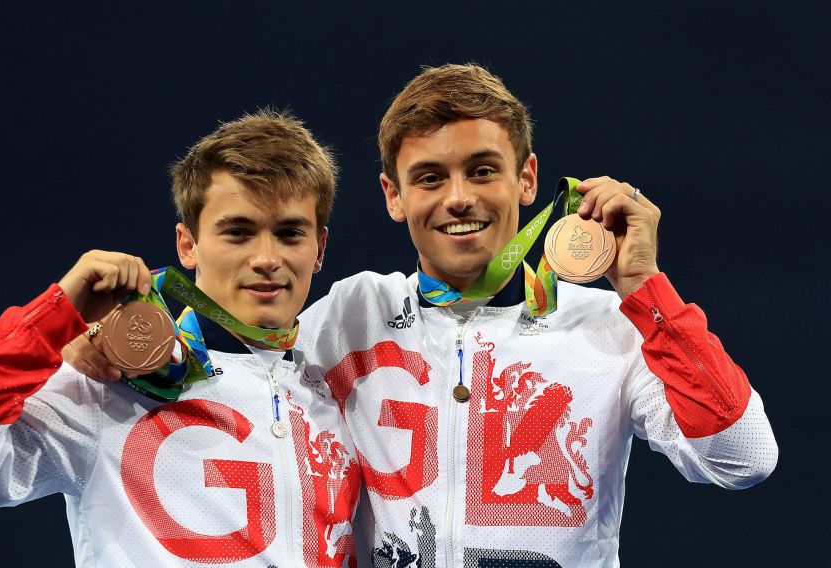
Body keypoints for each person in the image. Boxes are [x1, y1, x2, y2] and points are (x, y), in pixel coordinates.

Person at [295, 64, 778, 567]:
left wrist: (645, 290)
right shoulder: (352, 315)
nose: (459, 199)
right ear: (394, 196)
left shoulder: (610, 324)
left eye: (482, 171)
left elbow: (742, 459)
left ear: (527, 179)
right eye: (430, 178)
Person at [0, 110, 362, 567]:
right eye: (238, 233)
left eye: (289, 234)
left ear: (319, 248)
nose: (266, 258)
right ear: (187, 245)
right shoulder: (110, 382)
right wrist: (53, 320)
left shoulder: (339, 398)